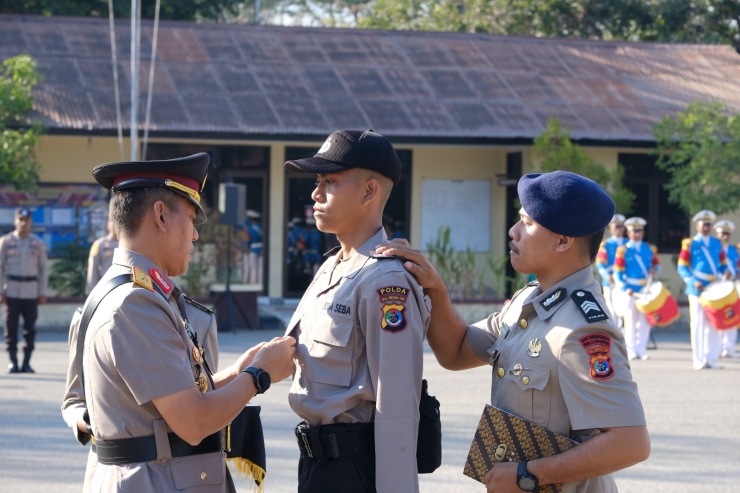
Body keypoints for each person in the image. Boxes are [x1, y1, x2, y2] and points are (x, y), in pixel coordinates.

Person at [377, 171, 650, 493]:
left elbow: (630, 442)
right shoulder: (528, 300)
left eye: (527, 223)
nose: (514, 231)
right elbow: (456, 351)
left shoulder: (583, 329)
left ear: (563, 241)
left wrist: (528, 473)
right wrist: (436, 290)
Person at [77, 153, 295, 493]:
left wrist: (238, 372)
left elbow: (171, 399)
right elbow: (193, 421)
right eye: (192, 219)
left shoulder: (132, 291)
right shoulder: (136, 303)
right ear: (161, 216)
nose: (194, 235)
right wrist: (259, 376)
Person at [283, 129, 432, 493]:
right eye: (317, 181)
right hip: (318, 466)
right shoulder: (332, 267)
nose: (316, 193)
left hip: (355, 470)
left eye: (330, 181)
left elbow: (397, 406)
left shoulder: (385, 282)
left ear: (370, 191)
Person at [62, 295, 220, 492]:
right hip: (117, 468)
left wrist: (245, 376)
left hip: (189, 472)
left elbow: (206, 391)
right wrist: (95, 420)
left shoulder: (199, 318)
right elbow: (73, 400)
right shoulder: (93, 314)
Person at [0, 207, 48, 373]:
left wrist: (42, 292)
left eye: (26, 220)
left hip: (31, 292)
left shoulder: (37, 243)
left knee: (30, 328)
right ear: (15, 221)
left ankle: (26, 363)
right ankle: (13, 362)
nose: (23, 223)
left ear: (30, 222)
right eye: (20, 219)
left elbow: (43, 270)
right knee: (10, 327)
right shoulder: (5, 242)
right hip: (11, 291)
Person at [678, 210, 727, 370]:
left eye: (709, 224)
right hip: (697, 287)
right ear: (697, 225)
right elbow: (682, 266)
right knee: (698, 323)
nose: (706, 227)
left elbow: (722, 264)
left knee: (713, 323)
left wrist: (725, 272)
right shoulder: (690, 244)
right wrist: (692, 280)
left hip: (714, 287)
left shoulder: (717, 243)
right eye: (703, 224)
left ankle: (711, 358)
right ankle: (698, 359)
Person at [613, 217, 660, 360]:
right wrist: (625, 287)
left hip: (645, 288)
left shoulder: (649, 248)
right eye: (634, 231)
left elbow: (657, 264)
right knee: (631, 320)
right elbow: (618, 271)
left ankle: (642, 349)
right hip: (630, 289)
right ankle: (631, 349)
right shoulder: (623, 250)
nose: (637, 233)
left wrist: (654, 269)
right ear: (628, 232)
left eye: (639, 230)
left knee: (645, 320)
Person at [595, 214, 626, 326]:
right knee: (612, 309)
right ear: (611, 228)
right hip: (610, 281)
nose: (619, 229)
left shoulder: (628, 244)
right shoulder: (606, 245)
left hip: (625, 281)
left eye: (621, 226)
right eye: (616, 226)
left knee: (625, 310)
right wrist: (606, 275)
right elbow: (600, 263)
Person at [715, 219, 739, 358]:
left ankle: (729, 347)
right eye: (723, 233)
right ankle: (717, 348)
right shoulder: (714, 248)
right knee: (719, 316)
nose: (725, 236)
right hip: (718, 284)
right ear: (717, 234)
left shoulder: (734, 250)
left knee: (732, 315)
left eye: (727, 233)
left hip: (732, 285)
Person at [86, 219, 119, 295]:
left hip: (122, 286)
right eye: (112, 222)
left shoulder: (127, 244)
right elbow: (93, 267)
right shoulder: (99, 244)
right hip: (105, 287)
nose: (115, 225)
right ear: (108, 225)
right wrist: (91, 290)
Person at [245, 210, 264, 285]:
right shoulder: (262, 228)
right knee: (261, 269)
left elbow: (248, 240)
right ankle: (260, 284)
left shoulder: (250, 229)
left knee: (254, 269)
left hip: (253, 250)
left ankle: (254, 284)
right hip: (262, 249)